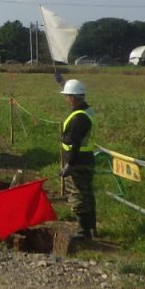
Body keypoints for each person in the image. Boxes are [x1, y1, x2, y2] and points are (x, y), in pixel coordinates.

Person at [60, 78, 96, 240]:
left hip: (78, 162)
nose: (66, 99)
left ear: (73, 97)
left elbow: (74, 143)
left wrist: (70, 164)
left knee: (78, 195)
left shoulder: (79, 118)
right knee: (86, 194)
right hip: (85, 159)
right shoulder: (86, 111)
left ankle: (83, 231)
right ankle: (91, 228)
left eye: (67, 96)